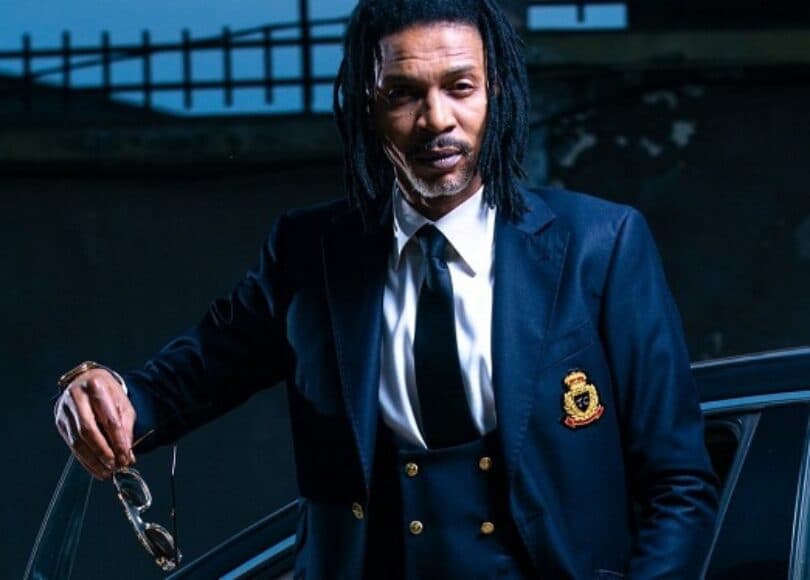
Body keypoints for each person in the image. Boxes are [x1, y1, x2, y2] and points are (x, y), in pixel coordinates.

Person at [53, 0, 719, 578]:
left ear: (496, 94)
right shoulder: (309, 254)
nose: (436, 119)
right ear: (367, 107)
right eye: (403, 93)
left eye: (460, 86)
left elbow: (680, 484)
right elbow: (179, 383)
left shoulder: (600, 244)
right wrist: (98, 393)